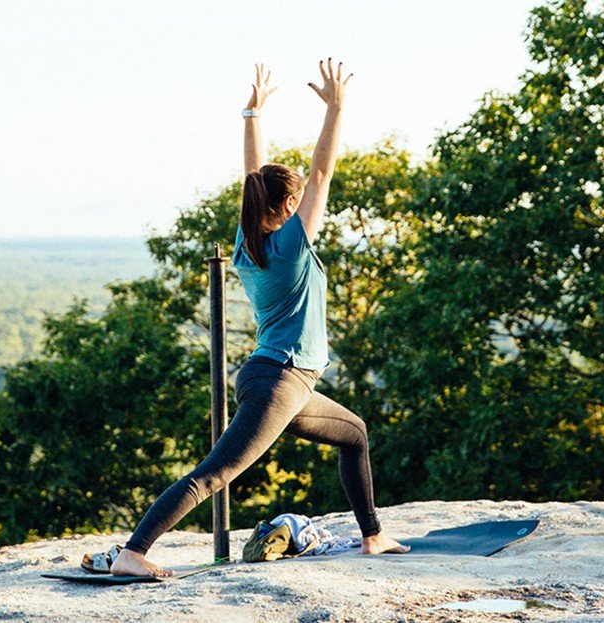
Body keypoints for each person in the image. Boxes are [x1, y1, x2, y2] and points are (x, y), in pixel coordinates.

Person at [110, 59, 409, 577]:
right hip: (280, 382)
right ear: (290, 204)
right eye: (297, 200)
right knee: (213, 474)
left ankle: (373, 537)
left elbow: (256, 177)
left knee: (354, 434)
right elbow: (322, 172)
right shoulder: (292, 242)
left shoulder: (248, 242)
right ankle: (133, 554)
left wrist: (252, 114)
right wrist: (337, 109)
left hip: (281, 381)